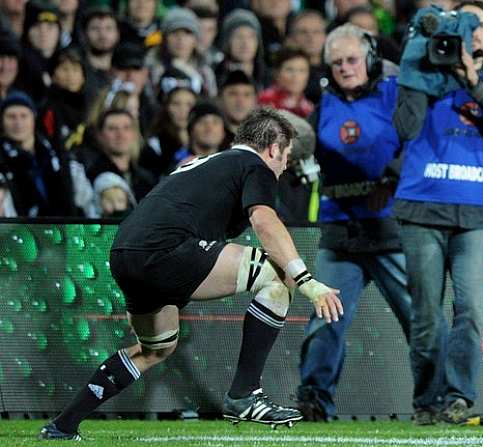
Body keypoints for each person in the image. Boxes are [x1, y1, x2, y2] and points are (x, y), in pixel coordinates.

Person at [39, 107, 344, 440]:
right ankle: (245, 394)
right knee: (278, 275)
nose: (285, 165)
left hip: (125, 252)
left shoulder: (205, 163)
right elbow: (265, 222)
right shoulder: (255, 166)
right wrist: (306, 280)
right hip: (165, 250)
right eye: (285, 156)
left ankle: (62, 426)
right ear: (273, 148)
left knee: (155, 349)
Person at [393, 0, 483, 425]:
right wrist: (414, 73)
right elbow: (405, 129)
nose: (471, 31)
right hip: (421, 209)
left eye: (480, 24)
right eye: (462, 23)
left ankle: (459, 398)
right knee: (427, 314)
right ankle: (426, 402)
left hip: (478, 213)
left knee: (471, 309)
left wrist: (473, 82)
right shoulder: (420, 76)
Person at [295, 24, 412, 422]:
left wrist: (392, 177)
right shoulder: (321, 105)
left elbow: (417, 142)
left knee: (419, 318)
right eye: (337, 62)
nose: (345, 68)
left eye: (352, 59)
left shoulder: (394, 94)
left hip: (389, 224)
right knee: (325, 319)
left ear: (371, 60)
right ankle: (313, 401)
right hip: (339, 228)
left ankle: (438, 399)